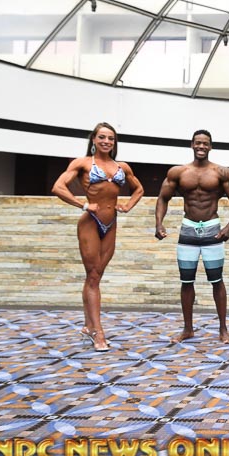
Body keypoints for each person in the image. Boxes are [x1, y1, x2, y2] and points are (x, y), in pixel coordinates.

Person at [52, 122, 144, 352]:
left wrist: (128, 206)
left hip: (111, 224)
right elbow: (58, 187)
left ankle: (87, 325)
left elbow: (139, 189)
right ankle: (98, 332)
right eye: (102, 137)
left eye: (110, 138)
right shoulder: (82, 163)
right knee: (93, 275)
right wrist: (83, 205)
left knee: (95, 276)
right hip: (90, 223)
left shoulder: (122, 166)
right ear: (94, 139)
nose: (106, 141)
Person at [154, 130, 229, 343]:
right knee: (186, 281)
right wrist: (159, 223)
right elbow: (163, 198)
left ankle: (223, 330)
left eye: (205, 143)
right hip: (188, 229)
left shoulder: (221, 172)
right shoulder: (179, 172)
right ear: (192, 145)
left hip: (213, 229)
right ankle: (188, 329)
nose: (201, 146)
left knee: (217, 280)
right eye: (198, 143)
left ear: (210, 146)